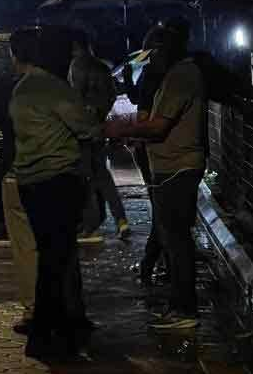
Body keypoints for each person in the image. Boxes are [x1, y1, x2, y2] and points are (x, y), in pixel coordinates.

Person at [105, 22, 206, 330]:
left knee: (175, 240)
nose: (149, 62)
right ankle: (179, 304)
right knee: (172, 237)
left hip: (178, 167)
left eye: (152, 56)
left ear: (164, 51)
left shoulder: (180, 77)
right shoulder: (175, 75)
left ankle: (184, 310)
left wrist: (119, 128)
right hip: (171, 166)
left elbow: (158, 126)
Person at [10, 27, 100, 358]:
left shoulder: (21, 90)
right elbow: (86, 127)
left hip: (29, 181)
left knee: (50, 255)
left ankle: (51, 329)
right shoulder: (54, 88)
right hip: (58, 181)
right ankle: (48, 335)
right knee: (57, 258)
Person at [0, 29, 39, 335]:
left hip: (16, 171)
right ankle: (60, 306)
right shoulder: (55, 86)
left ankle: (34, 309)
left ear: (13, 54)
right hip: (52, 174)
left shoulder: (8, 87)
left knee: (24, 245)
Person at [69, 30, 128, 241]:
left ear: (76, 45)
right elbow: (111, 95)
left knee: (86, 178)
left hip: (83, 131)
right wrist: (100, 114)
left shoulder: (76, 66)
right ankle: (121, 220)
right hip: (99, 128)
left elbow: (75, 98)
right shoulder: (102, 67)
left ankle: (90, 226)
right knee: (103, 176)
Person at [123, 25, 170, 285]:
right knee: (162, 209)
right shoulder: (162, 74)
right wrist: (129, 78)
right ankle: (158, 262)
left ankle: (152, 263)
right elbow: (136, 96)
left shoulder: (155, 73)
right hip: (157, 147)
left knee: (161, 209)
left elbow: (141, 106)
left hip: (152, 147)